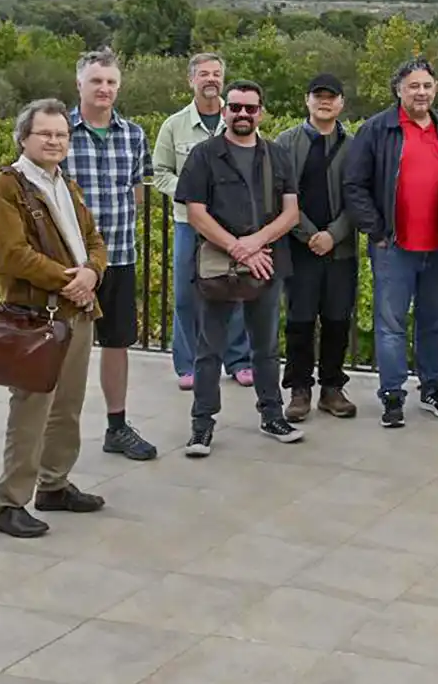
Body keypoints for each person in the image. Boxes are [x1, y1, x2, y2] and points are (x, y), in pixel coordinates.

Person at [0, 99, 109, 538]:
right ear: (24, 138)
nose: (55, 141)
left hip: (77, 310)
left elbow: (93, 238)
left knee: (67, 407)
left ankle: (53, 484)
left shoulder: (65, 184)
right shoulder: (4, 189)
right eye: (45, 134)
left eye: (61, 135)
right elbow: (13, 255)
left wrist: (92, 272)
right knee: (31, 410)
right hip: (36, 316)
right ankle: (8, 503)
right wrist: (69, 280)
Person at [174, 80, 305, 456]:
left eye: (250, 108)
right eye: (235, 107)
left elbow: (291, 213)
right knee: (209, 349)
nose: (242, 114)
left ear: (261, 112)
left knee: (265, 347)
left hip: (267, 263)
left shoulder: (277, 155)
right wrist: (239, 249)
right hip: (218, 265)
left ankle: (272, 415)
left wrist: (254, 244)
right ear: (225, 111)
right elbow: (196, 213)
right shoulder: (204, 155)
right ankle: (201, 426)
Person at [344, 56, 438, 428]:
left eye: (427, 85)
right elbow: (355, 185)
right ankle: (393, 395)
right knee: (390, 325)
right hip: (394, 246)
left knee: (434, 321)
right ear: (399, 90)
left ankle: (431, 388)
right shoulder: (377, 129)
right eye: (413, 86)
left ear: (437, 88)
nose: (421, 92)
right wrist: (377, 231)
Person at [63, 49, 158, 461]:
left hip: (119, 256)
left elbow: (136, 193)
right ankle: (55, 428)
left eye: (111, 82)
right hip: (72, 264)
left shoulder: (133, 134)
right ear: (79, 84)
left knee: (117, 343)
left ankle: (117, 427)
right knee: (64, 345)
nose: (104, 88)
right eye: (96, 81)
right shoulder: (59, 133)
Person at [154, 53, 252, 389]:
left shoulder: (239, 118)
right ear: (191, 80)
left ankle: (239, 361)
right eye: (204, 74)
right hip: (188, 223)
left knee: (235, 290)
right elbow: (160, 172)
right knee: (186, 294)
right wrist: (189, 194)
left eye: (216, 74)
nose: (211, 79)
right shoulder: (174, 125)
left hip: (231, 225)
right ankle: (189, 365)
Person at [271, 74, 359, 422]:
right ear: (306, 100)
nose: (325, 101)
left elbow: (359, 196)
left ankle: (332, 388)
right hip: (299, 248)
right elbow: (278, 194)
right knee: (300, 321)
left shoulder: (354, 146)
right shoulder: (285, 143)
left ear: (341, 102)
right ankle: (299, 389)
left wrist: (334, 234)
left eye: (331, 96)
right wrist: (309, 235)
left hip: (341, 249)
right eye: (318, 95)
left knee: (338, 320)